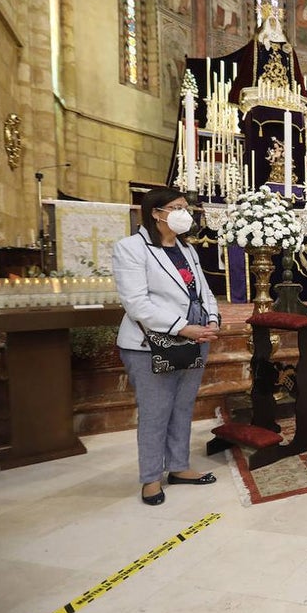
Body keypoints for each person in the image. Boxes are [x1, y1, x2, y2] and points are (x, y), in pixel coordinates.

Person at [112, 187, 221, 506]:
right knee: (155, 412)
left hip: (196, 339)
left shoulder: (188, 249)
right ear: (156, 213)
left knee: (182, 407)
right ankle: (150, 478)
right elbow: (137, 304)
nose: (184, 213)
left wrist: (212, 319)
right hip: (152, 345)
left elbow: (204, 291)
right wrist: (183, 328)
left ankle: (178, 467)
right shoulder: (131, 248)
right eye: (177, 207)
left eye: (185, 207)